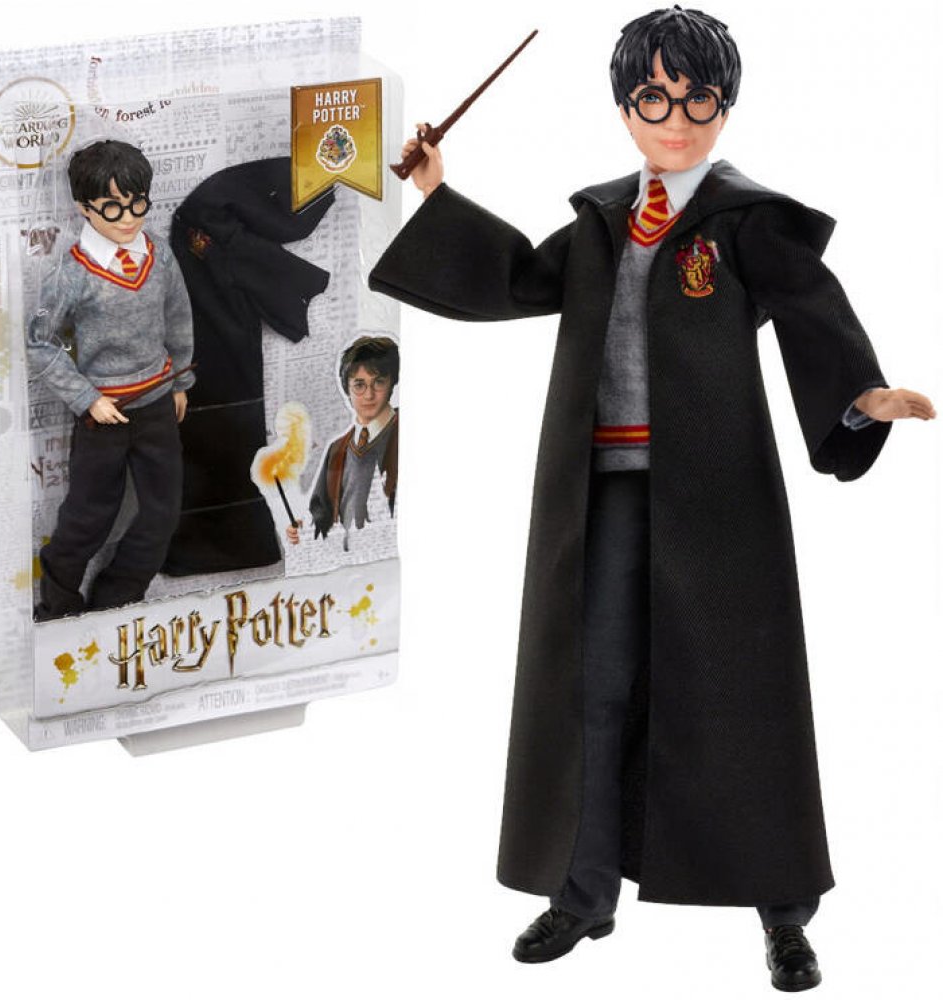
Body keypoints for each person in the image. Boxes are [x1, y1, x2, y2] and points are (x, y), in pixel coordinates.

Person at [368, 7, 935, 992]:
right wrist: (434, 188)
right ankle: (584, 891)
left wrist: (859, 393)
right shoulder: (600, 220)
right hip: (601, 493)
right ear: (624, 108)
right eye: (652, 99)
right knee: (589, 686)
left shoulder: (742, 222)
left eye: (695, 99)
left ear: (725, 107)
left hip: (716, 495)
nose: (674, 119)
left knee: (742, 691)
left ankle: (782, 912)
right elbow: (518, 278)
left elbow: (807, 301)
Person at [28, 139, 195, 620]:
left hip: (158, 404)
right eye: (112, 206)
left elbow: (178, 319)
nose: (128, 217)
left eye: (137, 203)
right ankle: (58, 603)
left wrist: (179, 381)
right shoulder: (72, 273)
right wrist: (87, 399)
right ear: (85, 208)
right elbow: (39, 341)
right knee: (88, 517)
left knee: (162, 512)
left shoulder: (159, 256)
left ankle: (117, 599)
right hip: (103, 414)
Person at [286, 335, 399, 549]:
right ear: (347, 389)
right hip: (350, 559)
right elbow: (320, 518)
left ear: (392, 383)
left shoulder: (405, 431)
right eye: (359, 385)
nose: (369, 395)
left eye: (379, 382)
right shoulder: (337, 450)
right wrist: (303, 531)